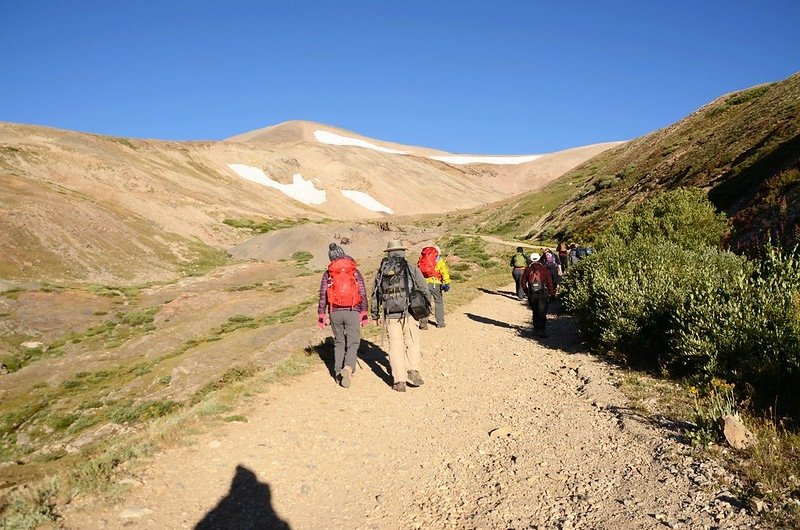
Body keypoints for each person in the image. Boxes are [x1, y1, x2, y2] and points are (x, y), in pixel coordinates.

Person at [370, 239, 429, 392]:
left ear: (389, 253)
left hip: (390, 315)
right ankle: (413, 370)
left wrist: (375, 314)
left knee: (395, 347)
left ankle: (399, 381)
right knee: (412, 342)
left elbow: (376, 293)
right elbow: (423, 288)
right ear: (402, 251)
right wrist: (426, 311)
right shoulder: (410, 267)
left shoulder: (382, 269)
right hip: (410, 312)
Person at [317, 243, 368, 388]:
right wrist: (364, 313)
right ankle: (348, 368)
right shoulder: (353, 271)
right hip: (352, 311)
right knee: (353, 342)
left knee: (339, 343)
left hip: (335, 312)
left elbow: (322, 296)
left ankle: (337, 373)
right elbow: (362, 293)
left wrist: (322, 315)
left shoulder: (329, 273)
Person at [417, 245, 451, 329]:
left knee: (426, 303)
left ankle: (423, 323)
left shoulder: (422, 258)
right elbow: (444, 272)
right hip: (436, 283)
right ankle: (440, 323)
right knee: (438, 302)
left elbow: (418, 270)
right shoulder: (439, 260)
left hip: (424, 283)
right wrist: (447, 282)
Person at [523, 253, 555, 338]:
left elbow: (523, 283)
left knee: (535, 310)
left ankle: (536, 328)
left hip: (532, 294)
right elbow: (549, 283)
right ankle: (541, 330)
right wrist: (551, 293)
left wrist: (527, 292)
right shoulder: (544, 269)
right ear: (539, 259)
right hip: (543, 293)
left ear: (530, 259)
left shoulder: (527, 269)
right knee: (542, 311)